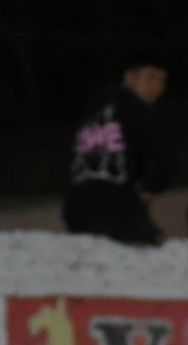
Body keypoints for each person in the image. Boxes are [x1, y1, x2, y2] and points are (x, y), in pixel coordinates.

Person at [62, 58, 175, 245]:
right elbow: (165, 159)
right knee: (150, 249)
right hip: (119, 206)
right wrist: (150, 187)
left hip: (76, 207)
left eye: (162, 81)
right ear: (129, 77)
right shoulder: (140, 110)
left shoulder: (94, 106)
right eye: (150, 77)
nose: (158, 87)